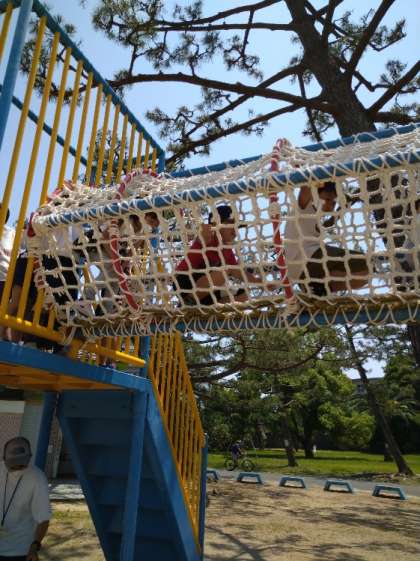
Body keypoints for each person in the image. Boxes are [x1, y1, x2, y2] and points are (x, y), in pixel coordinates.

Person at [284, 181, 369, 296]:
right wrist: (318, 180)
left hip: (299, 272)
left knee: (364, 276)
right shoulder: (305, 207)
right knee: (364, 262)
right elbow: (306, 186)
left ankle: (318, 288)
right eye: (327, 199)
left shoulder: (316, 218)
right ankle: (318, 285)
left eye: (334, 203)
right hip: (307, 258)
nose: (330, 205)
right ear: (314, 195)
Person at [174, 205, 271, 305]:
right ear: (216, 224)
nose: (235, 231)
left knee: (244, 294)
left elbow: (238, 272)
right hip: (185, 282)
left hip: (207, 291)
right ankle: (189, 301)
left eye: (237, 227)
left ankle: (212, 308)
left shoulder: (226, 250)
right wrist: (204, 232)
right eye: (231, 225)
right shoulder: (209, 237)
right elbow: (203, 236)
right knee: (226, 270)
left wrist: (260, 283)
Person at [0, 437, 51, 561]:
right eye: (13, 463)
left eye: (21, 463)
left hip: (20, 549)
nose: (17, 466)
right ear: (4, 458)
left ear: (29, 457)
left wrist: (35, 546)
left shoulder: (37, 478)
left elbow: (43, 518)